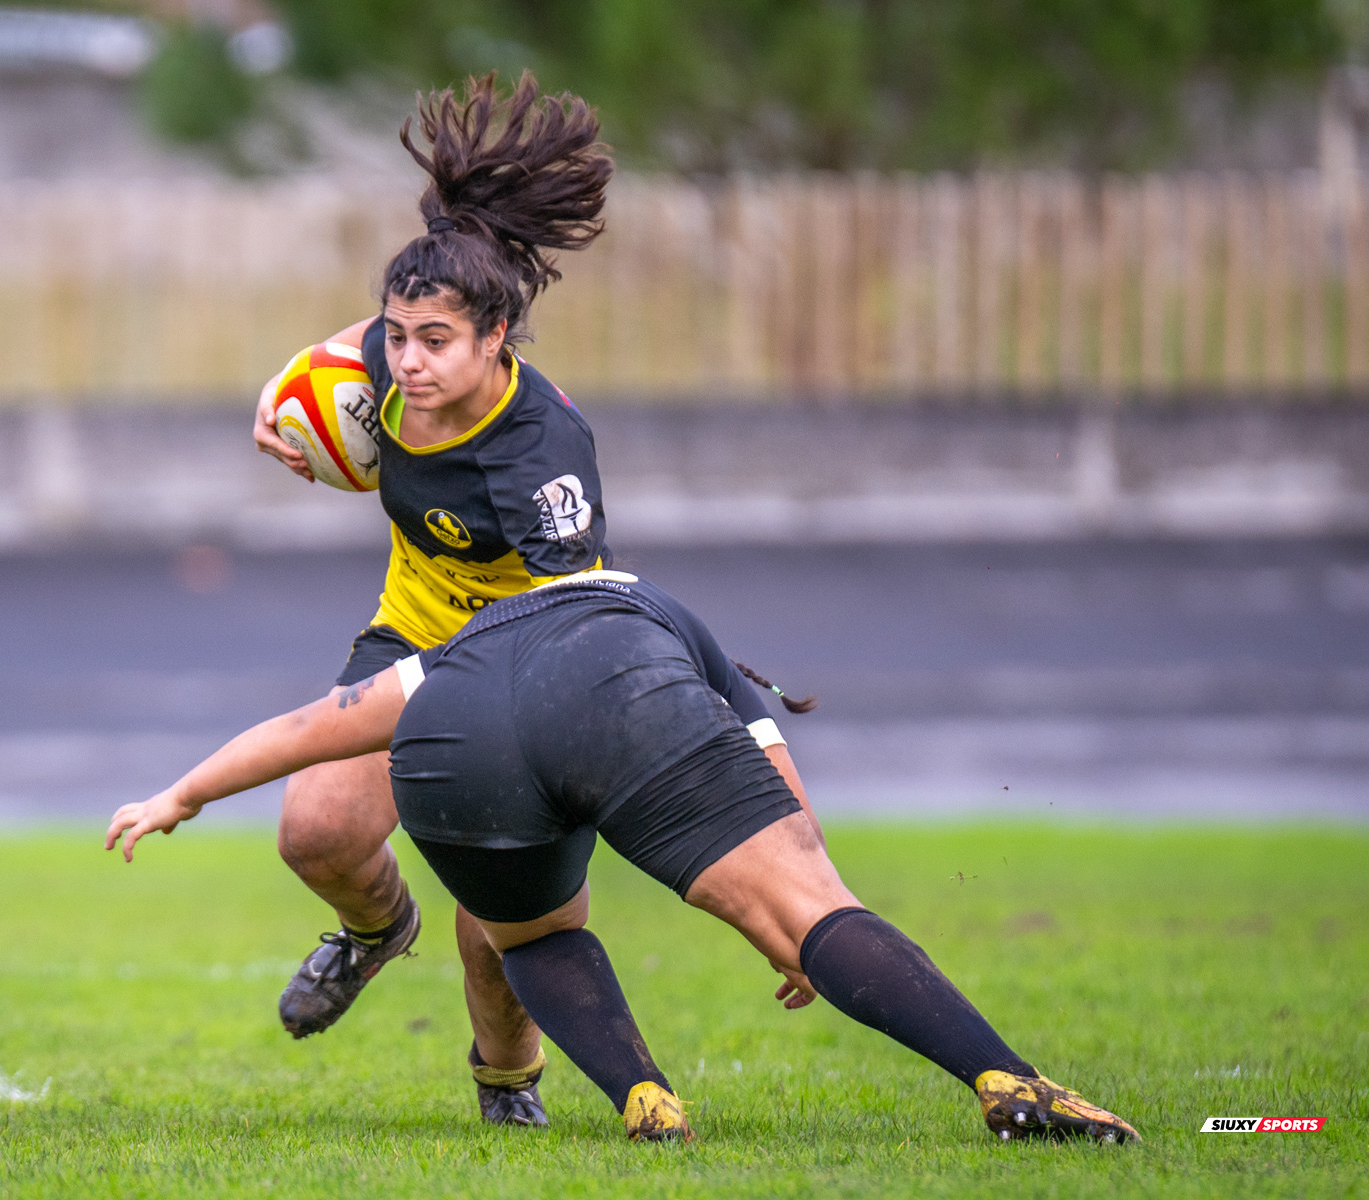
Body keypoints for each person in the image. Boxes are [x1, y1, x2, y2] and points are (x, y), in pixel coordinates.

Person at [106, 570, 1141, 1146]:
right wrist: (801, 928)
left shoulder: (451, 650)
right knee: (803, 904)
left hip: (455, 740)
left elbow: (303, 727)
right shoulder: (660, 612)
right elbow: (773, 771)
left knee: (535, 929)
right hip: (618, 696)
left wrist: (180, 795)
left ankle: (645, 1098)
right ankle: (1006, 1078)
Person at [246, 72, 615, 1121]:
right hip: (412, 634)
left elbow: (579, 617)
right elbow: (307, 383)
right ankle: (373, 932)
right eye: (395, 336)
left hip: (520, 660)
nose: (403, 362)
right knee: (314, 830)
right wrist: (277, 421)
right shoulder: (392, 350)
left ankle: (507, 1084)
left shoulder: (543, 458)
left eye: (431, 341)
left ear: (496, 338)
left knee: (494, 921)